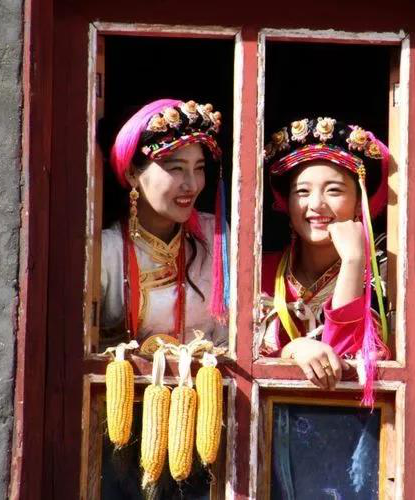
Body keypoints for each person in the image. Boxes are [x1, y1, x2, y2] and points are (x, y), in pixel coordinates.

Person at [259, 117, 390, 405]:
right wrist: (292, 350)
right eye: (302, 192)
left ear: (359, 203)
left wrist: (353, 261)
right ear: (286, 202)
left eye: (334, 190)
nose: (316, 205)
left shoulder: (382, 278)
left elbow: (344, 361)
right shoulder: (260, 272)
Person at [101, 98, 230, 354]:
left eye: (199, 168)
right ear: (132, 173)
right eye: (176, 168)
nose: (192, 185)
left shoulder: (214, 234)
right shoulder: (106, 251)